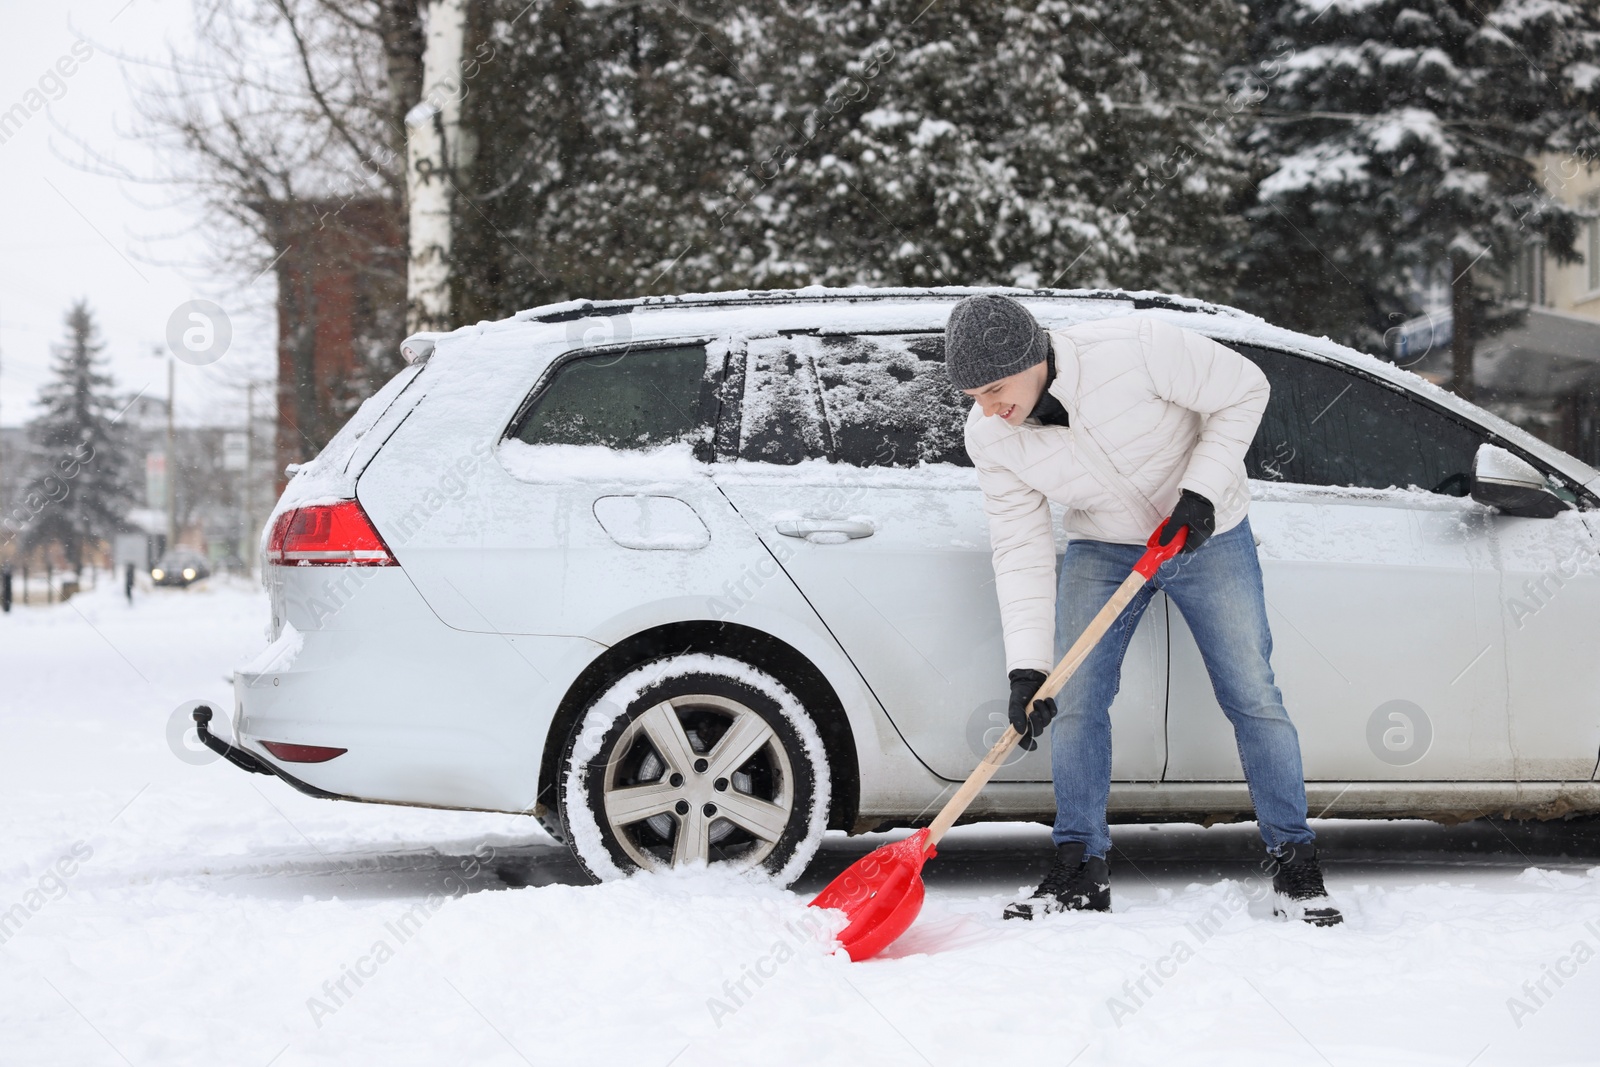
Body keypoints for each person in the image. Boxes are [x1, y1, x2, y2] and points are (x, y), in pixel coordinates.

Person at [945, 294, 1340, 927]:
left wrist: (1201, 493)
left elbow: (1244, 389)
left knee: (1251, 693)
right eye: (972, 395)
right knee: (1071, 700)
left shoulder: (1136, 348)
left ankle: (1294, 861)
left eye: (994, 388)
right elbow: (1020, 546)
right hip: (1103, 546)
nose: (988, 408)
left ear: (1034, 356)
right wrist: (1028, 668)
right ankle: (1079, 867)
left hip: (1206, 534)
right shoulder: (991, 437)